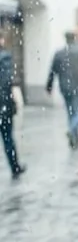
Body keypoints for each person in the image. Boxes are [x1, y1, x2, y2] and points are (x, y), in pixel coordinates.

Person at [45, 31, 78, 149]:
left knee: (71, 113)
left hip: (65, 87)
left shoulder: (59, 53)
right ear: (75, 38)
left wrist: (49, 86)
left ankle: (74, 140)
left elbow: (52, 70)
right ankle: (72, 130)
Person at [0, 35, 25, 178]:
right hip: (3, 105)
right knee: (7, 137)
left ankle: (15, 166)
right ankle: (14, 167)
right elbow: (7, 82)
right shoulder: (4, 57)